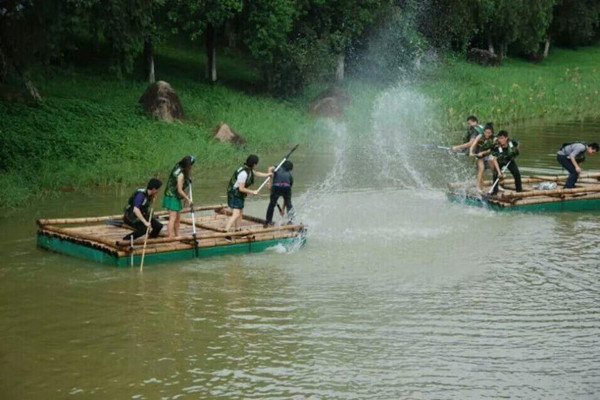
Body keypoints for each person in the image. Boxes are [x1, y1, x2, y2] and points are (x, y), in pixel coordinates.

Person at [225, 154, 271, 234]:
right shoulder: (244, 173)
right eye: (256, 164)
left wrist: (267, 175)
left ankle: (238, 229)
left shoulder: (247, 169)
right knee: (236, 214)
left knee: (240, 212)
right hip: (234, 194)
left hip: (238, 194)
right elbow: (241, 188)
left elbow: (256, 173)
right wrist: (253, 191)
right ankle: (225, 231)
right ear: (254, 164)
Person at [163, 155, 195, 237]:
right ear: (188, 165)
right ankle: (170, 237)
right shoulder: (180, 175)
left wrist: (188, 177)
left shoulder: (178, 165)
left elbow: (187, 174)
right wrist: (188, 199)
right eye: (191, 165)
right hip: (171, 196)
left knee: (178, 218)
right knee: (173, 217)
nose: (192, 167)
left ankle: (177, 235)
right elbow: (179, 190)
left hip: (175, 196)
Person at [489, 130, 522, 195]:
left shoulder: (512, 142)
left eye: (502, 138)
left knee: (517, 174)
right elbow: (494, 160)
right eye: (499, 138)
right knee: (495, 175)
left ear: (506, 138)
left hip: (509, 160)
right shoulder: (496, 146)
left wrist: (515, 151)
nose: (500, 140)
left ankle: (519, 191)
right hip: (500, 160)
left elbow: (518, 145)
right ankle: (495, 191)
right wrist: (499, 172)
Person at [264, 160, 295, 227]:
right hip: (287, 187)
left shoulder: (277, 167)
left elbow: (269, 168)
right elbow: (286, 200)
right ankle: (291, 221)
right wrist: (283, 209)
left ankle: (268, 222)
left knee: (272, 204)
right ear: (289, 169)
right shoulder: (290, 176)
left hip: (276, 187)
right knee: (289, 204)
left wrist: (269, 182)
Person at [469, 123, 496, 190]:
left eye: (489, 133)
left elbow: (490, 150)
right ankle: (479, 187)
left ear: (492, 133)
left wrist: (483, 152)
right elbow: (473, 145)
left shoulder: (494, 139)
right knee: (481, 169)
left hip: (488, 156)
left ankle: (497, 185)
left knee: (494, 170)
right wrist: (471, 152)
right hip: (479, 156)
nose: (487, 134)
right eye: (486, 132)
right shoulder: (480, 136)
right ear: (484, 131)